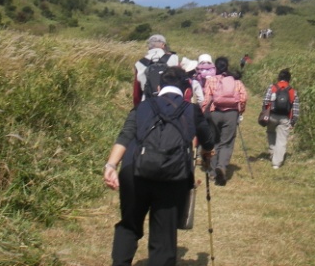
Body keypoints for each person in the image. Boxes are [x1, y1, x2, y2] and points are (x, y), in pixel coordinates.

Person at [104, 66, 215, 266]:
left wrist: (110, 165)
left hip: (134, 172)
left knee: (129, 225)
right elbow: (208, 140)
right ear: (187, 90)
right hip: (173, 176)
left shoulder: (143, 107)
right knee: (164, 235)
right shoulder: (192, 110)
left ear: (158, 86)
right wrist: (207, 152)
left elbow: (126, 135)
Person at [201, 56, 247, 186]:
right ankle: (221, 167)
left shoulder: (211, 81)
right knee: (226, 143)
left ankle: (212, 172)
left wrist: (205, 113)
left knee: (214, 141)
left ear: (216, 67)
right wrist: (240, 112)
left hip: (215, 112)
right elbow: (243, 98)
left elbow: (207, 99)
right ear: (227, 67)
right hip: (231, 114)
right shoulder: (236, 82)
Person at [261, 68, 300, 169]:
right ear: (289, 79)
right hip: (285, 118)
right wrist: (293, 121)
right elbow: (295, 109)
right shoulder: (292, 91)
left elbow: (265, 101)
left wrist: (264, 112)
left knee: (270, 133)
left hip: (272, 116)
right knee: (282, 140)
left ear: (279, 77)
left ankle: (272, 152)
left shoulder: (272, 87)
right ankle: (276, 163)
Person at [132, 34, 179, 107]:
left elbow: (136, 93)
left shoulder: (140, 63)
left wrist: (138, 107)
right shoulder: (174, 59)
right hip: (171, 102)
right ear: (163, 45)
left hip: (148, 103)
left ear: (149, 46)